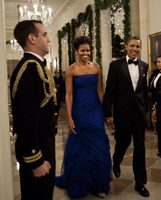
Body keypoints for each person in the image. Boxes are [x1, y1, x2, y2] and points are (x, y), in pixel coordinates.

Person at [55, 36, 112, 198]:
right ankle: (80, 183)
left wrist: (106, 112)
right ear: (76, 52)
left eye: (88, 50)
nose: (85, 53)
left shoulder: (96, 67)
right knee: (80, 149)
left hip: (95, 111)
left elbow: (100, 91)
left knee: (99, 147)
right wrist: (70, 117)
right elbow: (69, 95)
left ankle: (99, 184)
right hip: (79, 112)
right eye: (82, 50)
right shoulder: (71, 70)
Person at [10, 20, 57, 200]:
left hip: (44, 145)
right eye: (44, 34)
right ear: (32, 38)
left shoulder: (36, 66)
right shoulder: (30, 70)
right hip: (37, 152)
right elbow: (25, 120)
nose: (48, 39)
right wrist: (35, 160)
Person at [103, 36, 150, 197]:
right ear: (126, 47)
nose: (135, 49)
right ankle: (116, 162)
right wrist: (108, 113)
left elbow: (143, 92)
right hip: (122, 113)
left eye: (138, 46)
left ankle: (140, 182)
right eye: (132, 46)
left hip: (139, 114)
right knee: (123, 143)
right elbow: (109, 90)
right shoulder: (115, 65)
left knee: (140, 147)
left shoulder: (144, 66)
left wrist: (147, 112)